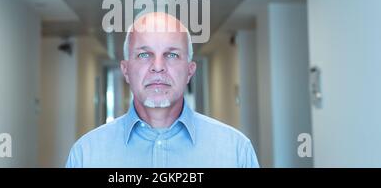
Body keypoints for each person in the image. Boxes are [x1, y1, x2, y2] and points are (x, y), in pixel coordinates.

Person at [66, 12, 259, 167]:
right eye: (143, 54)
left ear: (190, 71)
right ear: (125, 70)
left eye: (172, 55)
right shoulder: (85, 155)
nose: (158, 66)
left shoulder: (236, 152)